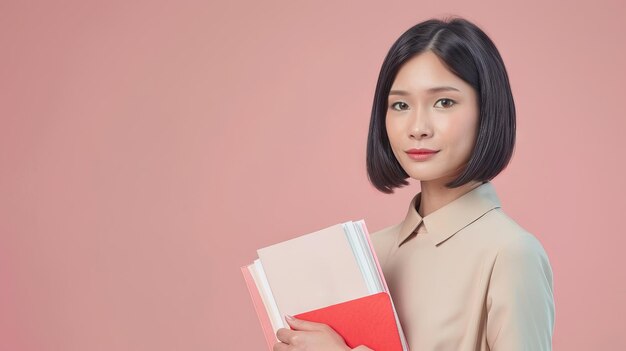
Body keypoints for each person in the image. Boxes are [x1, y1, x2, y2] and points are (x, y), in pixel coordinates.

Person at [273, 16, 555, 351]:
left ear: (488, 110)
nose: (417, 126)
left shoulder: (511, 254)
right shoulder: (368, 254)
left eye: (444, 102)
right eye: (401, 105)